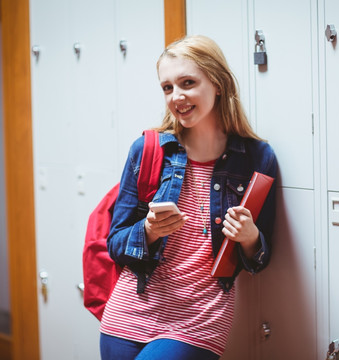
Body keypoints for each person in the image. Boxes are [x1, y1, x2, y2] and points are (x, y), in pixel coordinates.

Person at [99, 35, 278, 360]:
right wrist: (150, 231)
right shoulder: (148, 149)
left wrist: (250, 237)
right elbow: (115, 245)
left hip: (200, 319)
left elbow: (261, 258)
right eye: (167, 87)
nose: (176, 97)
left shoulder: (256, 157)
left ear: (218, 84)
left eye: (187, 83)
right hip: (129, 311)